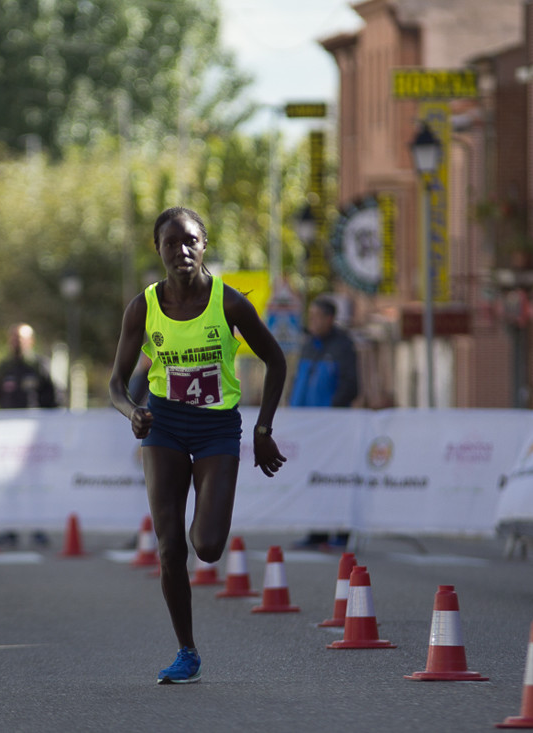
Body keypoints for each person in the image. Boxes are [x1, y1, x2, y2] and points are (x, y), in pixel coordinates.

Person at [109, 206, 287, 684]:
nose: (181, 251)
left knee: (206, 547)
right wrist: (135, 413)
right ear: (158, 249)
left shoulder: (228, 304)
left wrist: (263, 430)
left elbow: (276, 361)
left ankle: (200, 507)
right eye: (171, 243)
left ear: (204, 244)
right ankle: (186, 651)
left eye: (190, 241)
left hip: (215, 428)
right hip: (164, 424)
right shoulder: (143, 308)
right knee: (170, 549)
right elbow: (115, 386)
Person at [288, 295, 359, 551]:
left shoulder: (343, 346)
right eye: (311, 316)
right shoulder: (309, 344)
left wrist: (330, 416)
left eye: (317, 317)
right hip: (306, 429)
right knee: (312, 479)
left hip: (332, 428)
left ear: (330, 319)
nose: (313, 321)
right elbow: (298, 380)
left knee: (335, 479)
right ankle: (316, 532)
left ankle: (341, 533)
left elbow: (351, 385)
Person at [0, 323, 58, 409]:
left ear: (31, 340)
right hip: (9, 417)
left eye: (19, 338)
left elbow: (54, 394)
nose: (16, 342)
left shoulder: (40, 365)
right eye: (13, 338)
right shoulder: (4, 367)